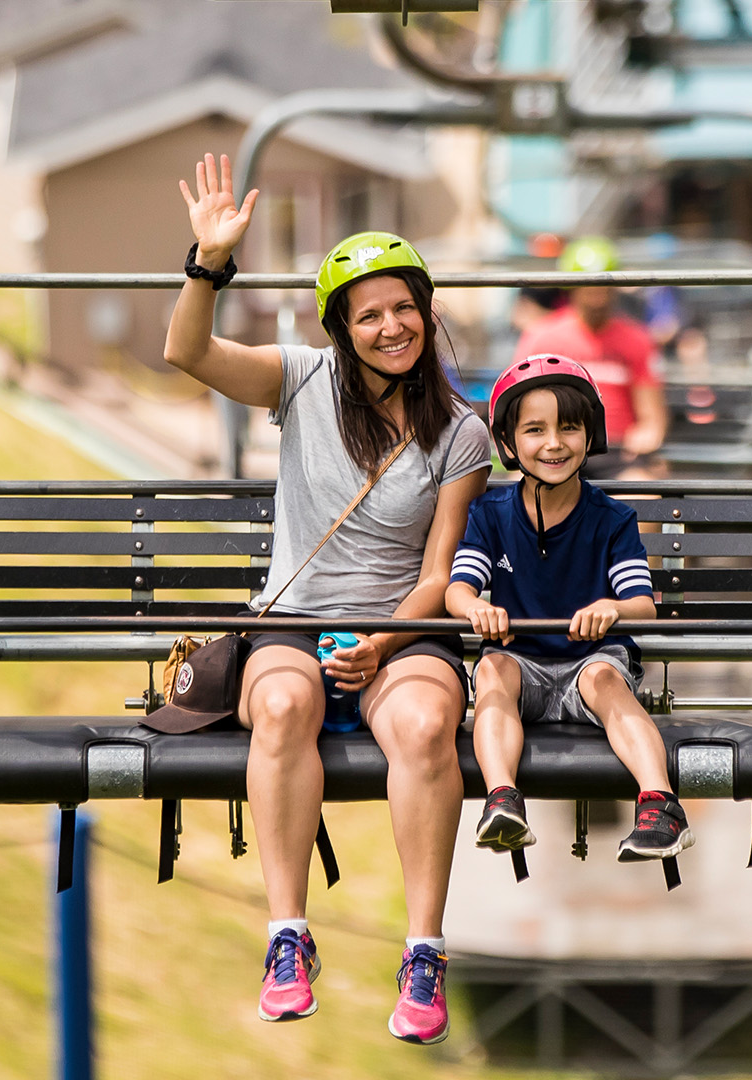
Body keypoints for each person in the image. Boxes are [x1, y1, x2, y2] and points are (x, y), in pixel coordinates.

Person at [162, 154, 491, 1042]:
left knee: (425, 729)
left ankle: (424, 951)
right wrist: (208, 262)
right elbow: (186, 352)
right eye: (369, 315)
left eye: (404, 308)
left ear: (428, 312)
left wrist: (383, 645)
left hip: (402, 631)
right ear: (342, 330)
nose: (391, 328)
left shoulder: (461, 433)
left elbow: (436, 573)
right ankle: (286, 935)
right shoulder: (303, 381)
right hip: (296, 619)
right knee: (278, 706)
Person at [444, 355, 694, 864]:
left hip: (589, 661)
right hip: (524, 663)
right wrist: (475, 607)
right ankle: (503, 799)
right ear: (509, 444)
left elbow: (642, 606)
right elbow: (457, 589)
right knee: (491, 668)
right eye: (534, 430)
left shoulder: (612, 519)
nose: (554, 443)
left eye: (569, 427)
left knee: (606, 681)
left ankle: (660, 804)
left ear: (592, 434)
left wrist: (612, 608)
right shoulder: (489, 515)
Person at [513, 236, 669, 480]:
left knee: (645, 495)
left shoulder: (637, 339)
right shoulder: (541, 337)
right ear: (571, 287)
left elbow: (651, 417)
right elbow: (519, 404)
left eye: (603, 284)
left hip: (617, 452)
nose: (596, 293)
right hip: (553, 447)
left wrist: (647, 435)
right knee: (523, 493)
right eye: (588, 285)